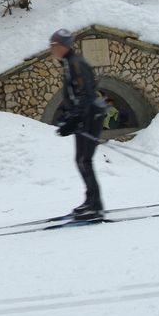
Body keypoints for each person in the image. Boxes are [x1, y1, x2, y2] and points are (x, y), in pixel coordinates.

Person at [49, 28, 106, 219]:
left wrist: (75, 118)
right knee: (82, 160)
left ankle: (95, 205)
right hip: (85, 115)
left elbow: (86, 94)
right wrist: (67, 116)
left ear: (62, 46)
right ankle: (91, 201)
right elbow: (73, 95)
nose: (51, 49)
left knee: (84, 160)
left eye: (53, 45)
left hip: (91, 115)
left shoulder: (76, 64)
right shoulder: (68, 64)